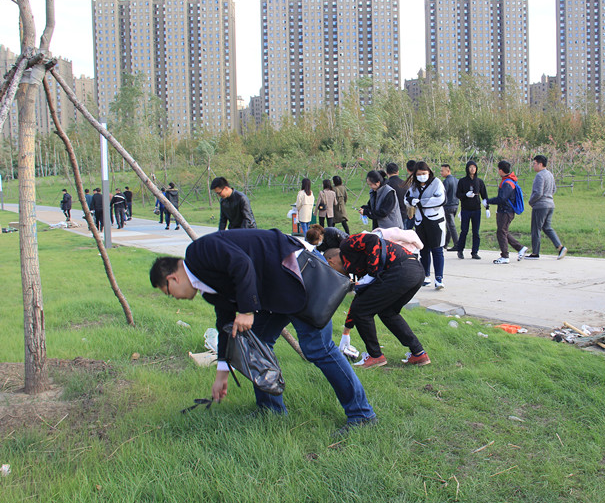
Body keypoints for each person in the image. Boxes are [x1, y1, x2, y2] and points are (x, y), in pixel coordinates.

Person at [149, 229, 376, 434]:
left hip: (299, 273)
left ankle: (362, 414)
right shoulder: (208, 289)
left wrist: (247, 310)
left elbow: (241, 264)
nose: (174, 297)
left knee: (319, 349)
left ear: (173, 278)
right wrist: (222, 372)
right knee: (254, 342)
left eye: (169, 292)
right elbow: (226, 326)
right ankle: (271, 410)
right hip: (277, 289)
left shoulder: (199, 252)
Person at [325, 232, 431, 369]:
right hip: (414, 272)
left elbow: (373, 239)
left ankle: (375, 356)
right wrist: (346, 331)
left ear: (330, 261)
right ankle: (418, 354)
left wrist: (372, 273)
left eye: (331, 272)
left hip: (402, 269)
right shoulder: (356, 266)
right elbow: (361, 299)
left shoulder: (346, 245)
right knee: (388, 312)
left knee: (363, 311)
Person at [405, 161, 446, 289]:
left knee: (437, 250)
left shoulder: (437, 183)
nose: (422, 176)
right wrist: (411, 201)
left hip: (435, 220)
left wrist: (420, 202)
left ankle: (439, 278)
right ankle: (426, 275)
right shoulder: (413, 186)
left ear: (429, 172)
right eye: (419, 174)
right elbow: (407, 198)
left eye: (424, 173)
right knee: (424, 249)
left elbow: (440, 199)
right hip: (420, 221)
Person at [527, 155, 567, 261]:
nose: (533, 165)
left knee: (536, 229)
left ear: (540, 164)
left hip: (540, 206)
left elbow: (538, 192)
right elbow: (554, 189)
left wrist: (531, 201)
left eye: (534, 163)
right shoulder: (550, 174)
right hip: (550, 204)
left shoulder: (540, 176)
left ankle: (535, 253)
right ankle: (560, 247)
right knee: (547, 227)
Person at [487, 160, 527, 264]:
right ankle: (520, 248)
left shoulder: (507, 183)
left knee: (501, 232)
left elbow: (502, 198)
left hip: (505, 211)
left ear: (500, 170)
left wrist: (488, 201)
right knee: (503, 231)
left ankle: (505, 256)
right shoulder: (508, 180)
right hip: (506, 211)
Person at [455, 159, 488, 260]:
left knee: (476, 231)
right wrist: (465, 195)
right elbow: (458, 194)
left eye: (474, 167)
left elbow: (484, 195)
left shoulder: (479, 181)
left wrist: (487, 207)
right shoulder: (462, 181)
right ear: (467, 168)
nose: (472, 169)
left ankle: (475, 252)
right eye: (470, 167)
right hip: (466, 209)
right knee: (464, 230)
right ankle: (460, 250)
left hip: (476, 209)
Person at [440, 164, 459, 251]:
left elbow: (443, 194)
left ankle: (457, 243)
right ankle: (446, 243)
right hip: (456, 204)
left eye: (442, 171)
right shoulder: (456, 180)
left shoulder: (446, 182)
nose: (441, 173)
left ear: (448, 171)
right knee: (449, 225)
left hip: (448, 206)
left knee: (451, 225)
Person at [385, 162, 408, 232]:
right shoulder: (405, 184)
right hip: (404, 213)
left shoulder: (386, 185)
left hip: (390, 216)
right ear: (398, 172)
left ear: (386, 173)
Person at [403, 160, 418, 230]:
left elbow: (410, 196)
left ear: (407, 170)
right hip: (420, 210)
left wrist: (410, 213)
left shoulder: (411, 181)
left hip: (413, 211)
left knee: (408, 230)